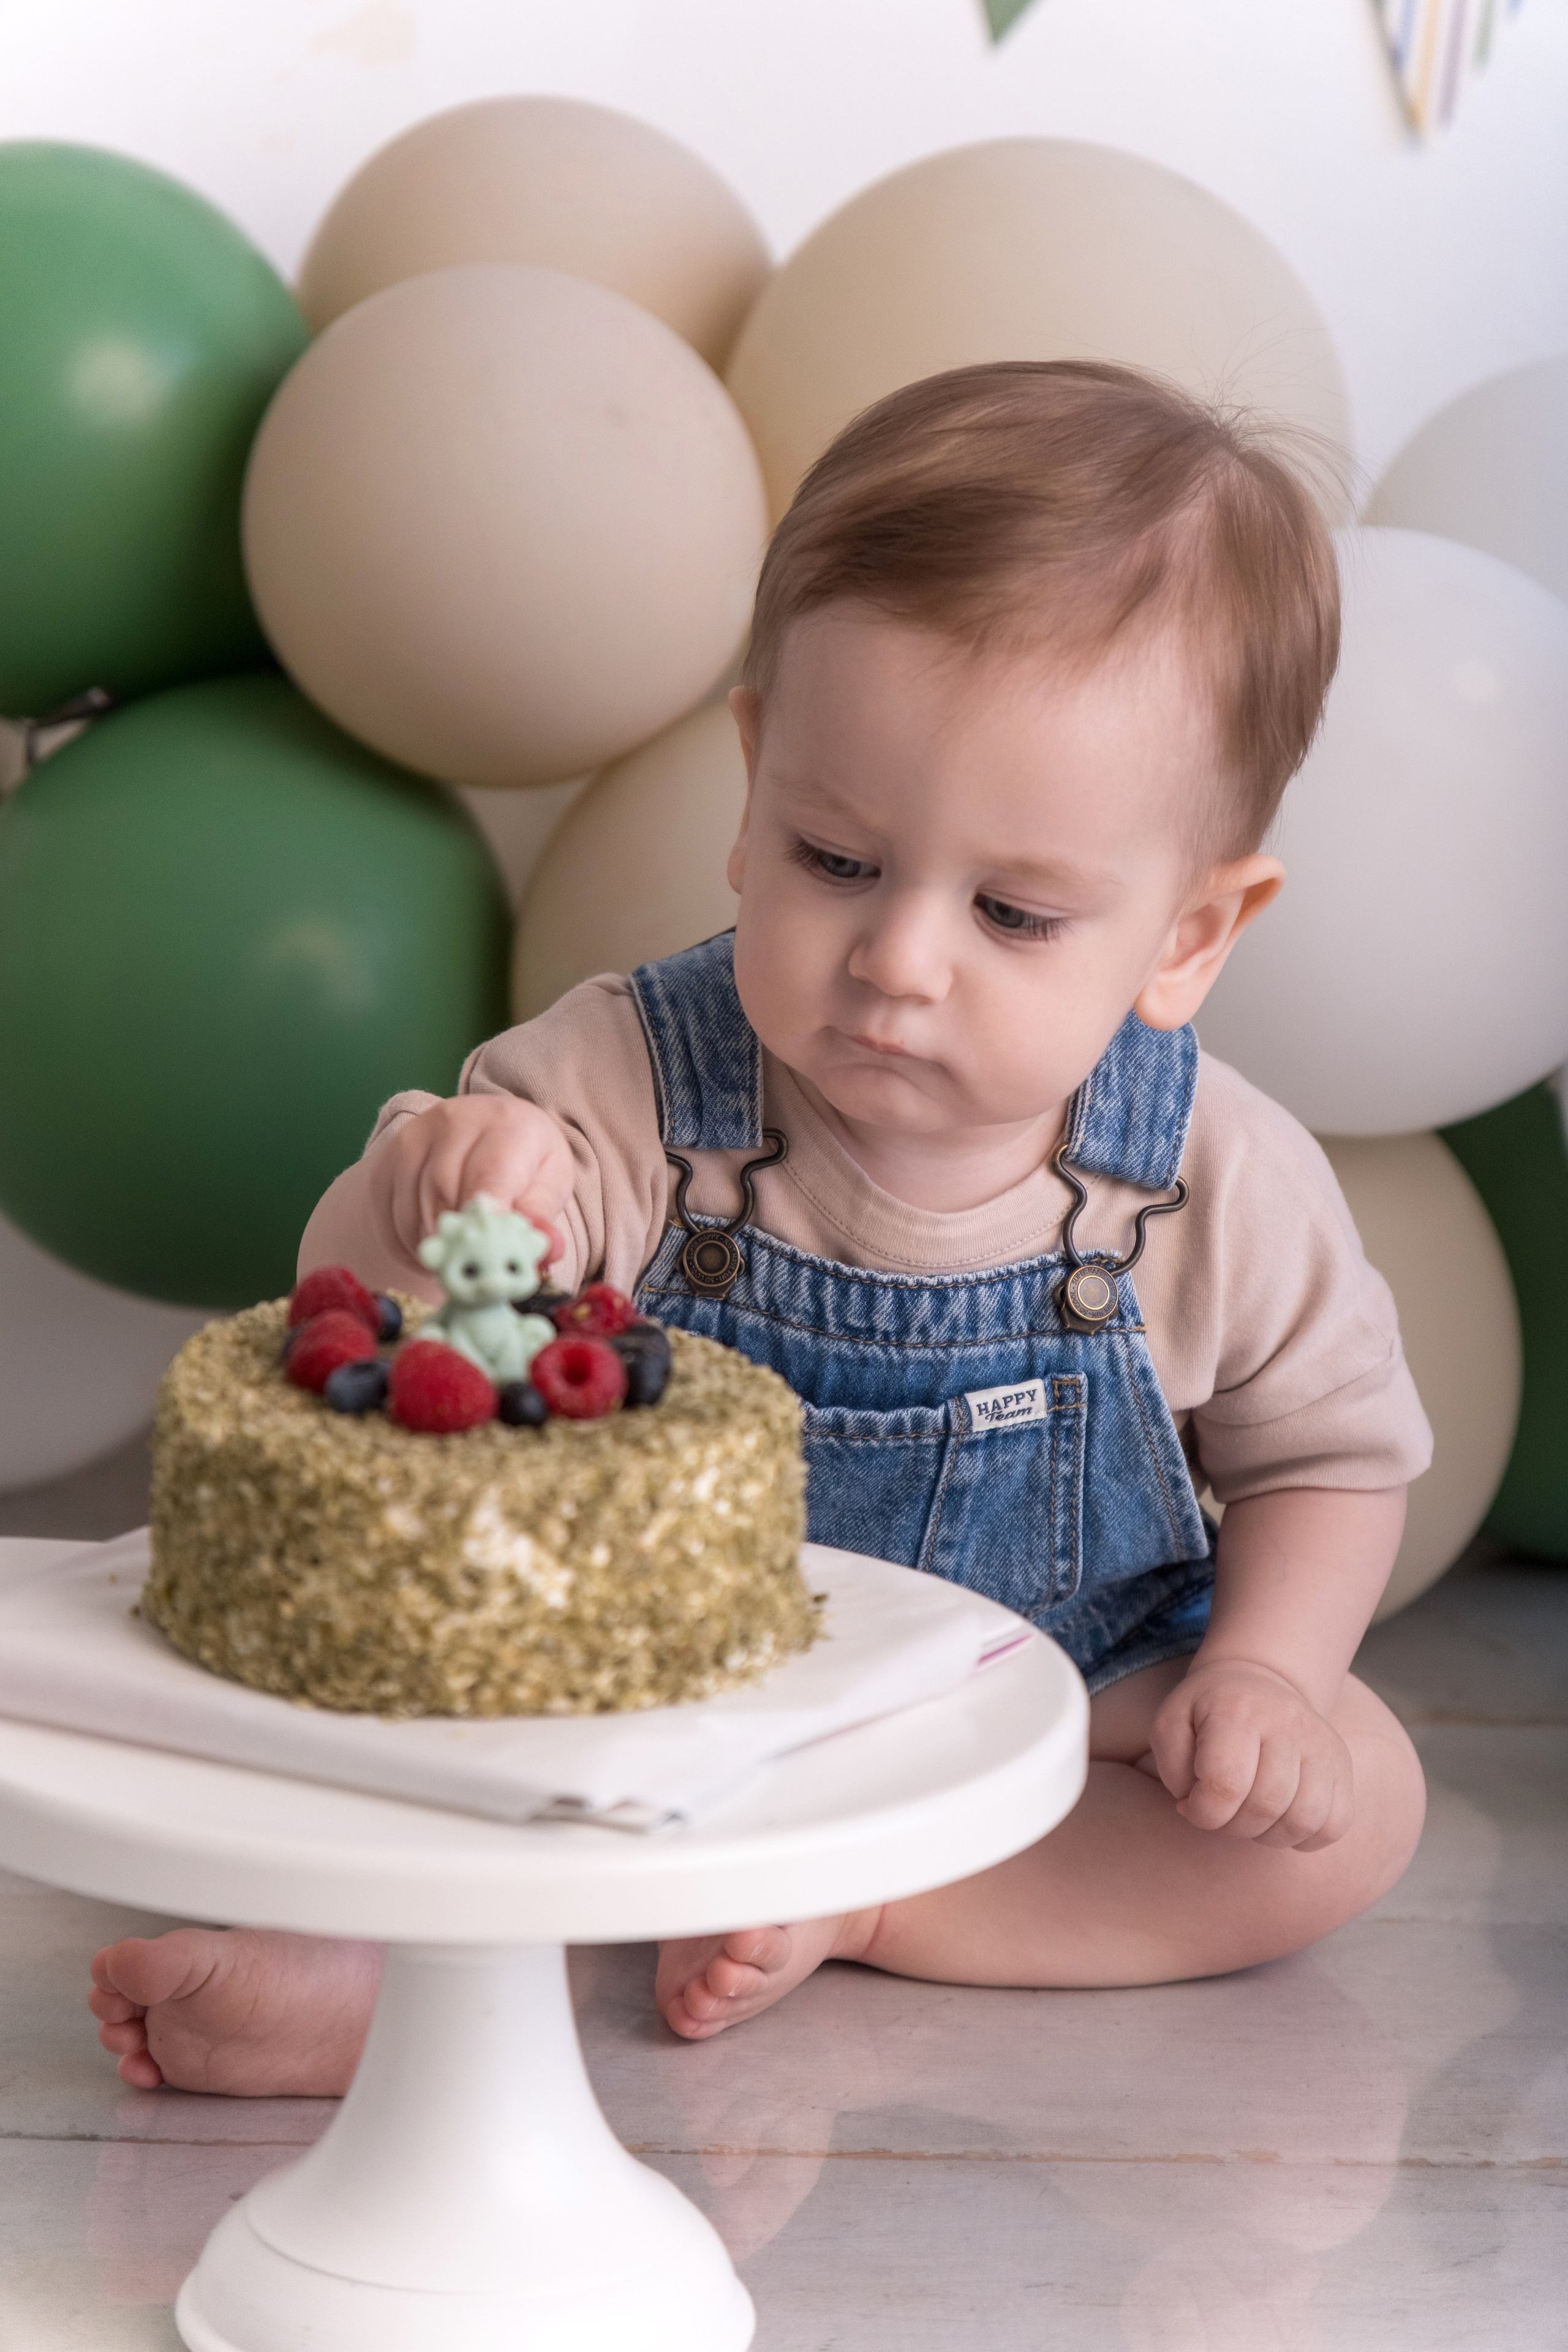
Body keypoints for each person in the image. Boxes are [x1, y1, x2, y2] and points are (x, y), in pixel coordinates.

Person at [89, 361, 1430, 2094]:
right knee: (381, 1671)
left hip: (1038, 1713)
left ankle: (884, 1903)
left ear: (1191, 934)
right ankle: (441, 1955)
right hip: (637, 1693)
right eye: (837, 858)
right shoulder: (639, 1079)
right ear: (754, 780)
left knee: (1353, 1799)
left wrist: (1263, 1671)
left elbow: (1334, 1461)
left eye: (1015, 912)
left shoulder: (1212, 1179)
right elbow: (364, 1306)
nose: (900, 960)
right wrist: (444, 1179)